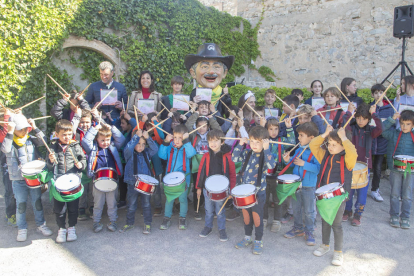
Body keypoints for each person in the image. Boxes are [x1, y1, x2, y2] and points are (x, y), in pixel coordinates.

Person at [309, 126, 357, 266]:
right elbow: (313, 144)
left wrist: (344, 138)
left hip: (338, 197)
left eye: (334, 145)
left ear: (343, 146)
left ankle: (338, 252)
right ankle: (325, 245)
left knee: (336, 225)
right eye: (329, 144)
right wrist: (324, 134)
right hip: (325, 196)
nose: (330, 147)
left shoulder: (348, 159)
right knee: (325, 221)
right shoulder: (324, 155)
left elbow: (353, 153)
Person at [1, 114, 52, 242]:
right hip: (18, 180)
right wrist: (10, 131)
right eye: (20, 129)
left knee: (37, 202)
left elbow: (44, 142)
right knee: (21, 204)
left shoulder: (30, 139)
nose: (23, 131)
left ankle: (41, 224)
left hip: (33, 177)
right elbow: (5, 149)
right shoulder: (10, 141)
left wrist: (35, 127)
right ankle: (22, 228)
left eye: (25, 129)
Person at [232, 126, 276, 255]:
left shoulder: (265, 154)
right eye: (252, 141)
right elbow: (234, 159)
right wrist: (240, 144)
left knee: (257, 218)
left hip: (258, 193)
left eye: (258, 142)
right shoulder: (247, 153)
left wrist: (267, 149)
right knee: (246, 217)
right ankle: (247, 238)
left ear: (264, 142)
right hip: (244, 193)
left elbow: (271, 166)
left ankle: (258, 240)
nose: (254, 145)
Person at [342, 103, 382, 226]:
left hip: (364, 165)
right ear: (355, 117)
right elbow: (343, 127)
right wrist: (349, 112)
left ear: (368, 119)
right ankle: (348, 210)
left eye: (364, 119)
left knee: (362, 192)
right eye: (358, 118)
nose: (360, 121)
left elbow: (381, 128)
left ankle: (358, 213)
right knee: (348, 190)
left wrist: (374, 114)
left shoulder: (371, 130)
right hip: (350, 163)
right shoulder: (351, 128)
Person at [82, 120, 125, 233]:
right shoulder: (93, 149)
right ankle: (96, 222)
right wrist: (94, 129)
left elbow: (121, 139)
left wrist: (111, 128)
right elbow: (85, 141)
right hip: (97, 181)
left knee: (112, 203)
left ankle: (113, 221)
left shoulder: (113, 147)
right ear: (97, 139)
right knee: (98, 203)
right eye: (102, 140)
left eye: (107, 139)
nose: (105, 142)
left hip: (112, 180)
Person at [47, 119, 86, 243]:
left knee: (73, 208)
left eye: (69, 134)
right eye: (63, 134)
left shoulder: (75, 146)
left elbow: (83, 159)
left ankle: (72, 227)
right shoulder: (53, 147)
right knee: (60, 209)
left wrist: (81, 164)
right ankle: (61, 228)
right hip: (58, 182)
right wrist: (50, 161)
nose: (67, 137)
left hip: (73, 182)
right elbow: (48, 166)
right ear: (57, 134)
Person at [283, 122, 320, 246]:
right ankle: (298, 228)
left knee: (309, 211)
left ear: (311, 138)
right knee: (296, 208)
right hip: (296, 184)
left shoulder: (316, 151)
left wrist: (305, 164)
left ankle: (309, 231)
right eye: (299, 135)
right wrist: (288, 160)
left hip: (309, 185)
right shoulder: (299, 149)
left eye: (301, 135)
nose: (298, 138)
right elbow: (293, 163)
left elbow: (318, 169)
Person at [195, 129, 237, 241]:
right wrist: (198, 187)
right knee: (208, 210)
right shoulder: (206, 156)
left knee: (220, 211)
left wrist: (232, 190)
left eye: (216, 141)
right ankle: (208, 227)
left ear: (222, 142)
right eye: (210, 141)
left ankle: (222, 229)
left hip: (221, 190)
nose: (213, 143)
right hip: (207, 189)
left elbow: (232, 174)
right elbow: (201, 172)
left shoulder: (228, 156)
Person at [119, 129, 158, 234]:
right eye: (138, 144)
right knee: (131, 205)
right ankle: (129, 223)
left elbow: (155, 149)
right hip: (132, 183)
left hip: (145, 183)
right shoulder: (130, 154)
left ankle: (147, 223)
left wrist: (148, 138)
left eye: (143, 144)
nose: (141, 146)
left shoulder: (146, 153)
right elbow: (128, 148)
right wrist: (136, 137)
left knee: (146, 204)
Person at [158, 124, 196, 230]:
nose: (177, 140)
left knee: (183, 199)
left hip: (184, 180)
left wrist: (186, 141)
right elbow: (161, 155)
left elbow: (192, 154)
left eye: (180, 138)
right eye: (175, 137)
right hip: (170, 179)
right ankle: (167, 218)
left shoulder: (186, 147)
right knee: (169, 199)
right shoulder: (170, 147)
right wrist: (165, 142)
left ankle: (182, 218)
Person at [382, 110, 414, 229]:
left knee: (407, 195)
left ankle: (405, 217)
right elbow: (382, 130)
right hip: (395, 169)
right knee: (394, 194)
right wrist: (392, 119)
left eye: (408, 124)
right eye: (402, 123)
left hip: (411, 171)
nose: (404, 126)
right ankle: (394, 215)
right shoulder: (394, 134)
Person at [185, 114, 221, 220]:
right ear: (196, 126)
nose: (202, 128)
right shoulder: (192, 135)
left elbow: (219, 130)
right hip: (197, 164)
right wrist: (195, 114)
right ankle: (197, 209)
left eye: (204, 126)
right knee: (197, 187)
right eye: (199, 125)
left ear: (208, 126)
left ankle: (209, 208)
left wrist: (210, 118)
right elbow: (187, 126)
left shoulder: (212, 135)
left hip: (210, 163)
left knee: (210, 186)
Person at [185, 43, 234, 120]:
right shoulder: (195, 93)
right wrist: (193, 104)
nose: (211, 71)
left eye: (216, 67)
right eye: (205, 67)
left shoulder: (223, 94)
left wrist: (227, 97)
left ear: (224, 73)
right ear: (193, 73)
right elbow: (189, 116)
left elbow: (228, 114)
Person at [263, 117, 295, 232]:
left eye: (276, 129)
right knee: (264, 199)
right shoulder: (263, 140)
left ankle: (277, 219)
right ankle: (264, 218)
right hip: (264, 176)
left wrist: (289, 127)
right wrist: (262, 127)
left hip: (278, 175)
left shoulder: (281, 140)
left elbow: (292, 143)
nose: (273, 132)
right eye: (270, 129)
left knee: (278, 199)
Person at [370, 84, 394, 202]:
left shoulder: (390, 108)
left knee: (378, 168)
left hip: (382, 142)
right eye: (376, 93)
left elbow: (392, 126)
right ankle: (359, 188)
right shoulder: (369, 107)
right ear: (372, 95)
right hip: (370, 141)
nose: (378, 95)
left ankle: (375, 189)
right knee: (366, 167)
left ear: (384, 93)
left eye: (381, 92)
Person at [116, 110, 137, 209]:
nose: (121, 125)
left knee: (127, 182)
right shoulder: (123, 132)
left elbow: (137, 126)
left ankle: (128, 201)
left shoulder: (132, 132)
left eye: (123, 123)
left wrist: (129, 118)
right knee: (122, 181)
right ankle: (122, 200)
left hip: (128, 161)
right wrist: (121, 117)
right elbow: (115, 125)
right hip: (122, 160)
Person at [0, 108, 16, 226]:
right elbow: (3, 139)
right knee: (9, 191)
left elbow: (26, 130)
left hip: (19, 162)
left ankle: (20, 212)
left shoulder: (14, 125)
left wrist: (19, 116)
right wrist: (6, 120)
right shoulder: (4, 129)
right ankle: (10, 214)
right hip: (6, 164)